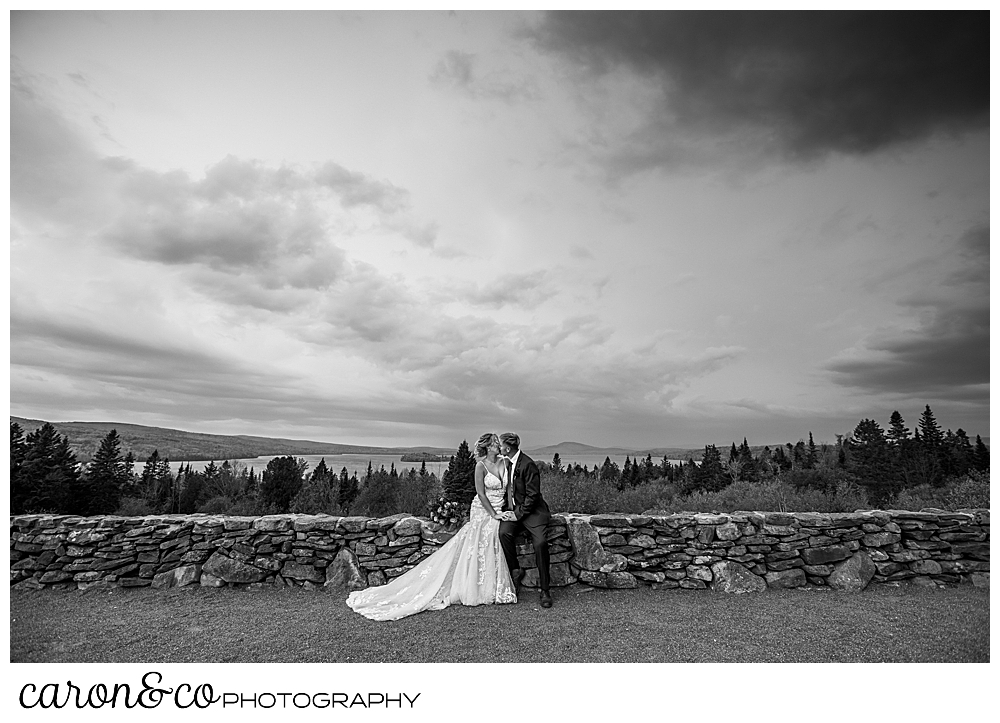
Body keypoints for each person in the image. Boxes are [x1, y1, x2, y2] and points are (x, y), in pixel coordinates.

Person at [346, 433, 516, 621]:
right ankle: (474, 587)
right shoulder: (480, 466)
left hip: (500, 507)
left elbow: (509, 489)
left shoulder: (505, 462)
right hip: (483, 510)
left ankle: (489, 586)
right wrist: (494, 514)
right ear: (487, 447)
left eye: (497, 443)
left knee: (492, 539)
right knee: (482, 540)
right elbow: (481, 495)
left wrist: (509, 509)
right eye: (493, 443)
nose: (497, 445)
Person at [497, 432, 553, 608]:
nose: (499, 448)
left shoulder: (528, 464)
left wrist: (517, 514)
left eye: (500, 445)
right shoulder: (507, 463)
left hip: (532, 513)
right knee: (504, 533)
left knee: (540, 543)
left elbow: (533, 496)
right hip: (513, 512)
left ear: (507, 447)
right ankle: (515, 570)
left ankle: (545, 590)